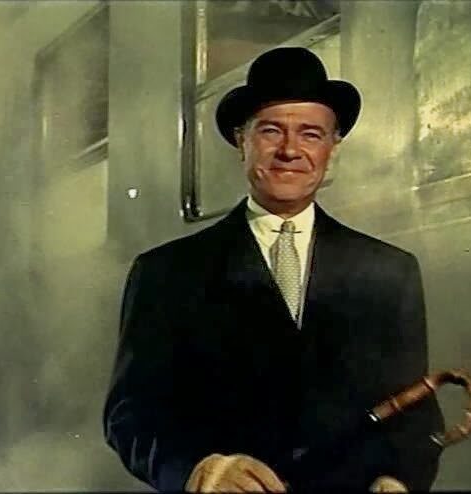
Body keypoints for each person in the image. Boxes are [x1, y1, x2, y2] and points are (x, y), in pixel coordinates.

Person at [103, 47, 444, 493]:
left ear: (332, 148)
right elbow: (130, 414)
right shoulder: (165, 272)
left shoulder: (391, 269)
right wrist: (197, 470)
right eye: (270, 131)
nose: (290, 150)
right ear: (240, 141)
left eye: (310, 134)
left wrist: (399, 479)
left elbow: (415, 411)